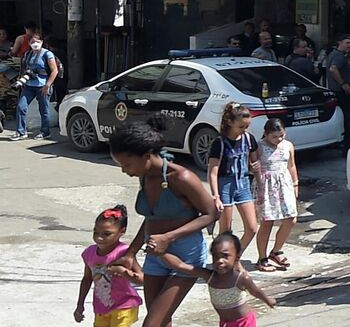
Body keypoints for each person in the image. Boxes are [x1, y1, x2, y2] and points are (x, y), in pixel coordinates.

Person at [111, 122, 218, 327]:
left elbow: (211, 214)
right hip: (155, 255)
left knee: (151, 324)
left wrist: (169, 237)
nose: (124, 170)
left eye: (127, 164)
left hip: (186, 258)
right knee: (161, 320)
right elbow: (152, 217)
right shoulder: (144, 177)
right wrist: (131, 253)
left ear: (146, 156)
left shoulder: (182, 177)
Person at [75, 206, 144, 327]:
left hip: (124, 306)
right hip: (102, 307)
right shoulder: (89, 253)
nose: (99, 238)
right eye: (96, 232)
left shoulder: (124, 253)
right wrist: (80, 304)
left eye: (107, 234)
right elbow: (87, 279)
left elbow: (142, 279)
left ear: (122, 231)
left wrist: (122, 271)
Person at [207, 104, 259, 258]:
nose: (244, 129)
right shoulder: (219, 143)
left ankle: (234, 257)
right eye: (241, 126)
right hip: (225, 185)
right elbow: (212, 171)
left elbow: (254, 163)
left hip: (243, 183)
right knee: (225, 231)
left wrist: (255, 167)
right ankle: (220, 260)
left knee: (252, 227)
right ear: (230, 122)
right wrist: (216, 196)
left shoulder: (249, 139)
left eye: (247, 126)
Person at [251, 119, 297, 273]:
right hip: (266, 187)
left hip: (285, 186)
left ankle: (276, 251)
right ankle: (262, 258)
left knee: (291, 219)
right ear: (266, 134)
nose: (278, 139)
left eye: (281, 135)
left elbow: (291, 165)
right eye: (274, 137)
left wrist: (295, 184)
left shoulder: (288, 146)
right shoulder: (259, 147)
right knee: (267, 223)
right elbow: (251, 166)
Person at [205, 234, 277, 327]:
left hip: (243, 323)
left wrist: (268, 300)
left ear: (236, 258)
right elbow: (185, 267)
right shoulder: (210, 276)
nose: (220, 261)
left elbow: (255, 291)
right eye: (216, 256)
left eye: (225, 256)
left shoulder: (241, 278)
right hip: (225, 323)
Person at [14, 35, 62, 140]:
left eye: (37, 41)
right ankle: (21, 132)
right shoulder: (27, 54)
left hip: (42, 86)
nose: (35, 44)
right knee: (21, 107)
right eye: (32, 42)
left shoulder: (47, 54)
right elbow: (24, 68)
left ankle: (45, 132)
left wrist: (47, 85)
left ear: (41, 42)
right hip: (29, 86)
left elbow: (54, 71)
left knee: (43, 110)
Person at [323, 37, 350, 144]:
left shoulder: (334, 54)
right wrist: (343, 83)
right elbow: (333, 69)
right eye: (347, 43)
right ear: (339, 42)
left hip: (337, 91)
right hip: (342, 92)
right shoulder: (339, 56)